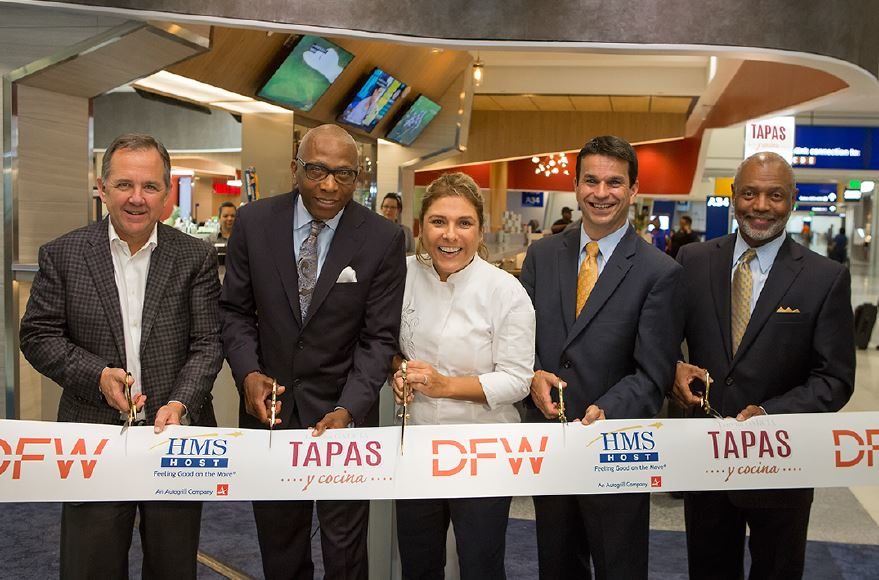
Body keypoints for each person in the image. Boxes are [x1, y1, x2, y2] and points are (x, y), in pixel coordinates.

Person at [19, 133, 223, 579]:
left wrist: (180, 402)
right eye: (124, 185)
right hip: (90, 439)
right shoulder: (63, 254)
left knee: (173, 567)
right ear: (102, 187)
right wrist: (97, 376)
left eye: (150, 186)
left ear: (166, 194)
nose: (137, 198)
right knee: (90, 568)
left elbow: (208, 343)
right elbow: (37, 335)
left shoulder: (196, 257)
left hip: (174, 440)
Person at [220, 124, 406, 580]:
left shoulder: (383, 238)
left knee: (345, 553)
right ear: (295, 169)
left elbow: (378, 338)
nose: (328, 185)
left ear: (359, 178)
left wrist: (350, 407)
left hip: (343, 418)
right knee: (280, 545)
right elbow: (235, 312)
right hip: (271, 412)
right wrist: (247, 374)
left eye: (343, 174)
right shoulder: (254, 222)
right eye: (317, 170)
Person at [672, 152, 855, 579]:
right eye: (750, 193)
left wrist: (772, 415)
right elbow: (664, 345)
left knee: (778, 570)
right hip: (706, 460)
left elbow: (835, 379)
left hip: (783, 464)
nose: (761, 205)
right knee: (709, 568)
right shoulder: (693, 261)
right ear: (734, 196)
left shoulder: (825, 277)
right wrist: (672, 371)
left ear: (792, 199)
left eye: (775, 195)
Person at [521, 135, 684, 580]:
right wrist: (533, 374)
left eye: (615, 182)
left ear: (633, 191)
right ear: (575, 186)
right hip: (550, 439)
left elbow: (654, 372)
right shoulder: (541, 255)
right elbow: (523, 340)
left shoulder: (659, 272)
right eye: (590, 180)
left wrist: (609, 408)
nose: (601, 192)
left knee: (619, 565)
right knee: (556, 563)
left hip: (616, 447)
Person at [392, 172, 536, 579]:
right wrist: (397, 371)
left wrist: (444, 386)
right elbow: (386, 344)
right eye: (438, 222)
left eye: (464, 223)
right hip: (416, 444)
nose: (449, 235)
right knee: (418, 564)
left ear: (480, 229)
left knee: (481, 564)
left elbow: (516, 380)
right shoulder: (401, 275)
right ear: (421, 228)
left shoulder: (506, 291)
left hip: (483, 450)